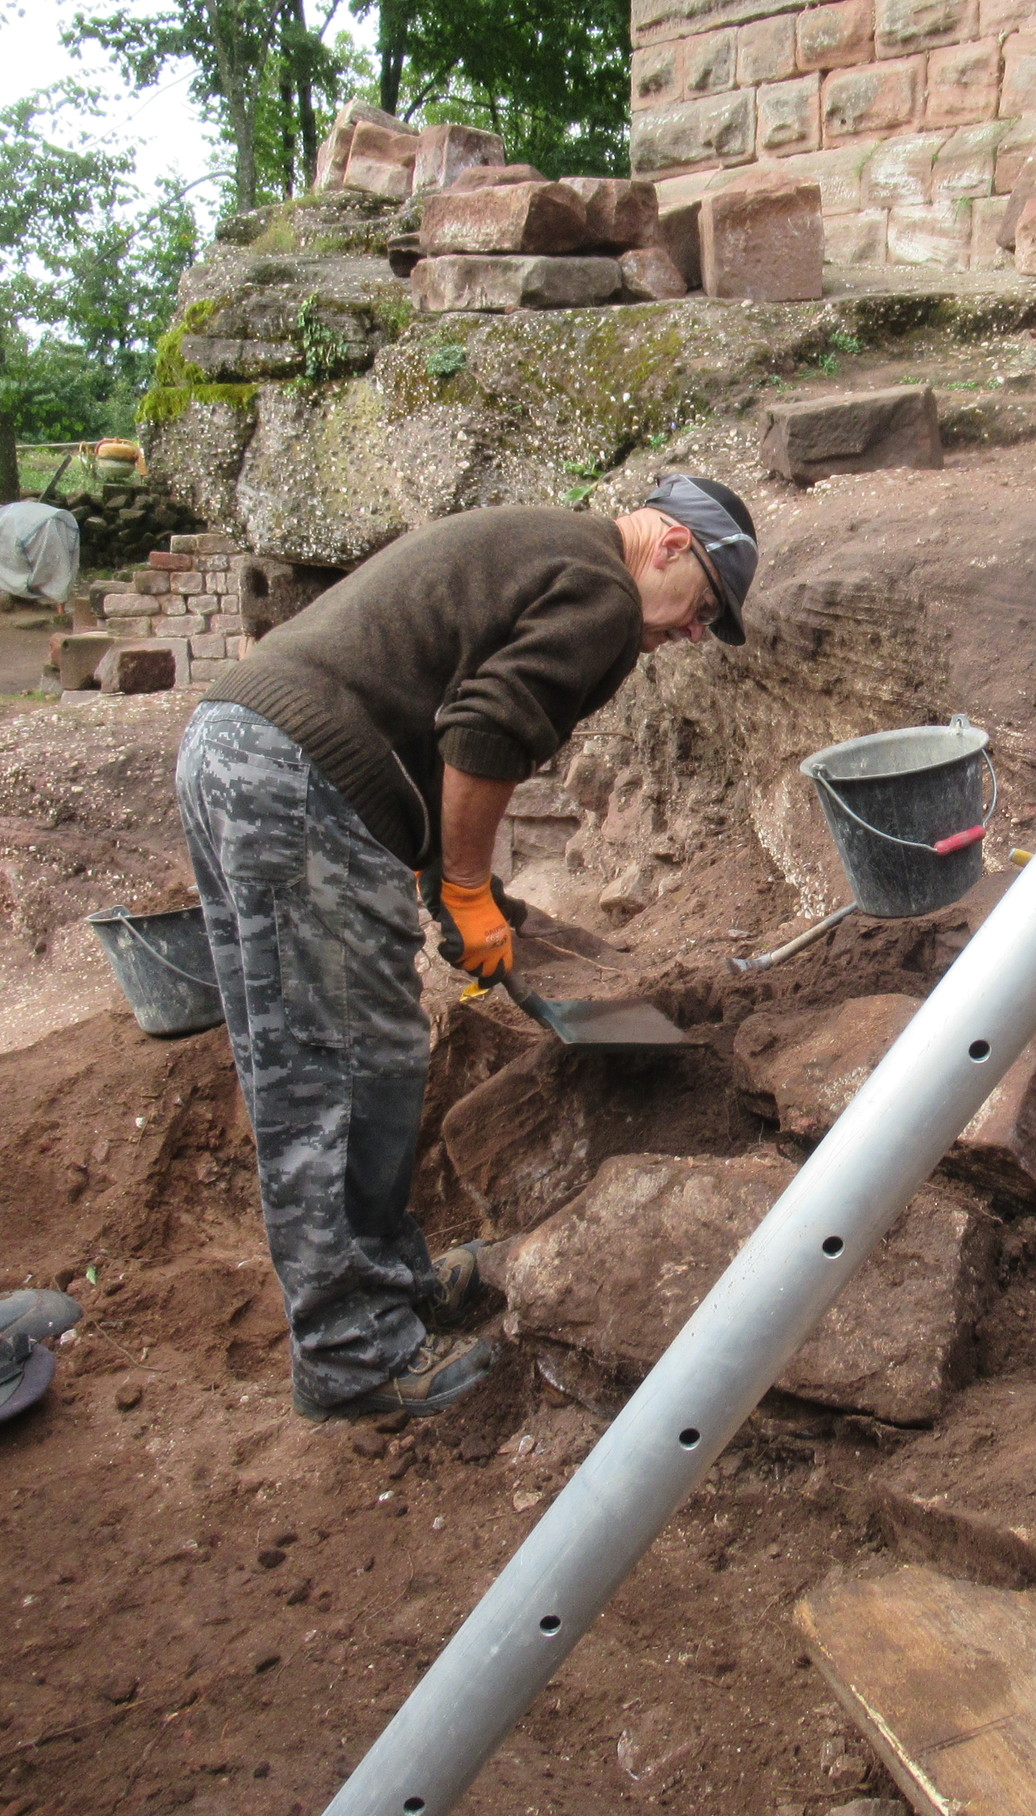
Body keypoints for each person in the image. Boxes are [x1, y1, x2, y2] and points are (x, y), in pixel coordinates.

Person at [173, 476, 759, 1422]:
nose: (695, 632)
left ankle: (390, 1289)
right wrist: (468, 887)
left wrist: (454, 883)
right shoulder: (604, 596)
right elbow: (484, 732)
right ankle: (353, 1355)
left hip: (238, 747)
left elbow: (430, 701)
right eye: (707, 607)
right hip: (295, 773)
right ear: (672, 546)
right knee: (345, 1066)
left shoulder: (547, 548)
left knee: (301, 1057)